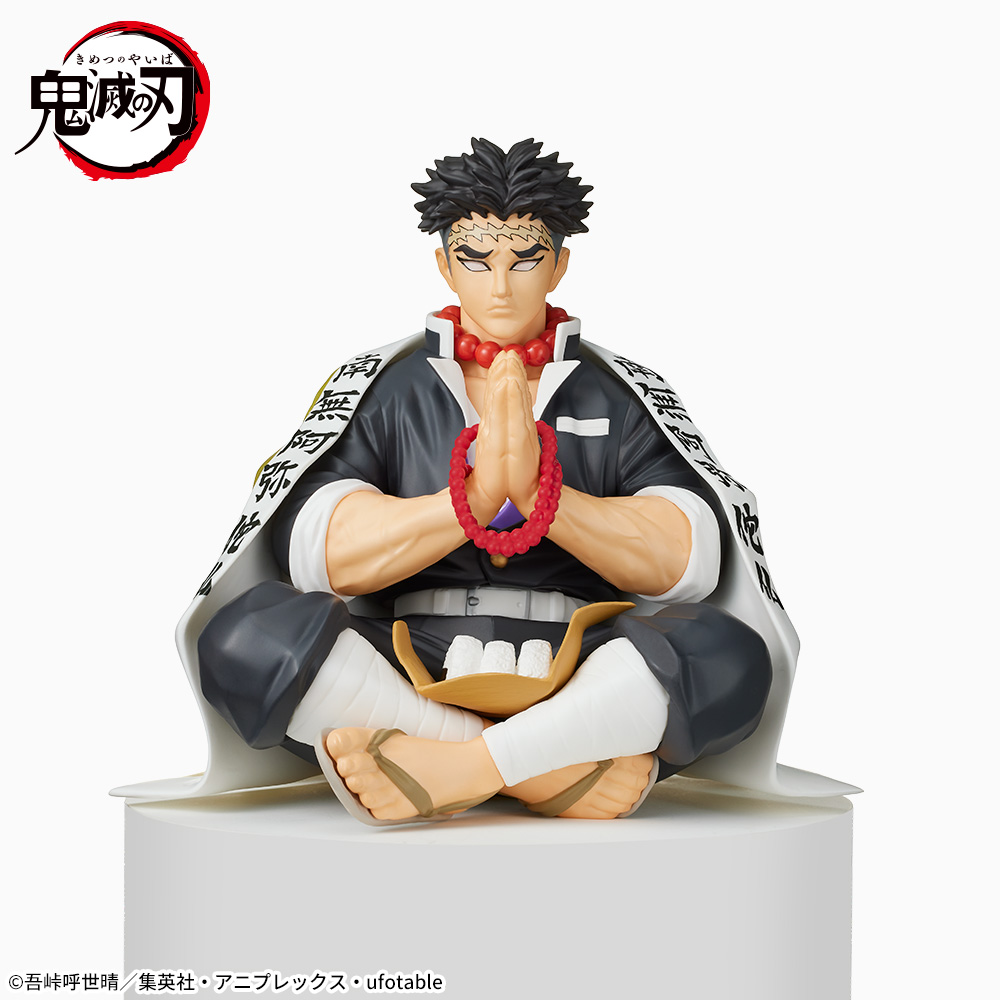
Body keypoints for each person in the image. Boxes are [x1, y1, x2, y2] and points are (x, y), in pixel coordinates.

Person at [119, 139, 855, 816]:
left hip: (580, 658)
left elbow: (688, 562)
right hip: (408, 650)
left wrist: (547, 500)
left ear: (559, 265)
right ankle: (547, 768)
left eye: (524, 260)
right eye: (476, 260)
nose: (500, 287)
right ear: (444, 265)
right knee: (244, 642)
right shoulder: (388, 385)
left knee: (730, 658)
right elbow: (318, 552)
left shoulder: (618, 391)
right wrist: (466, 501)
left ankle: (451, 767)